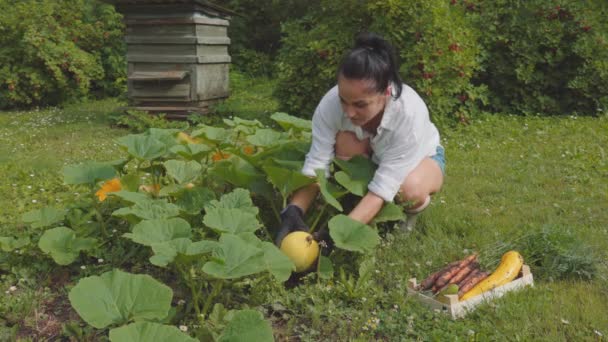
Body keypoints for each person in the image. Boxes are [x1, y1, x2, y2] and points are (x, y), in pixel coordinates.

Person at [275, 32, 445, 247]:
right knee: (344, 143)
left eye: (360, 105)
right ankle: (354, 207)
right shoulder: (330, 104)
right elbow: (317, 163)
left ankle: (407, 219)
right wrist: (294, 209)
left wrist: (340, 234)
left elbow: (383, 187)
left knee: (408, 189)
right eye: (343, 100)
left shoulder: (409, 115)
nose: (349, 112)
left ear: (385, 91)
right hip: (373, 153)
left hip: (422, 159)